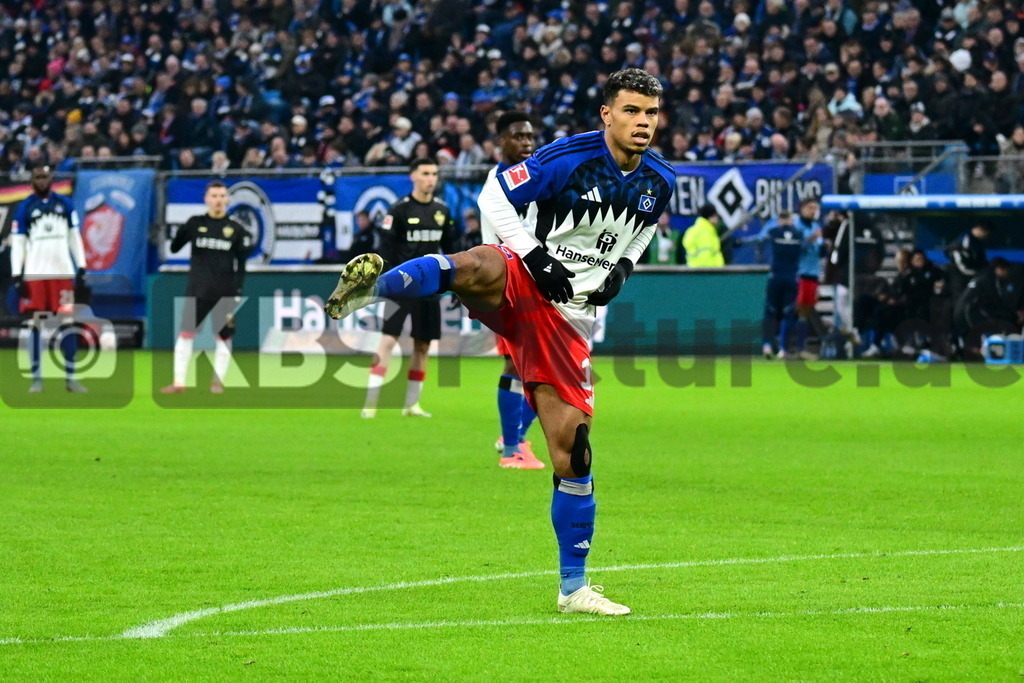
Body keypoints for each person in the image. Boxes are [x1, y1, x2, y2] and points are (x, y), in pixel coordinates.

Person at [324, 69, 675, 615]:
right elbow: (494, 193)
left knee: (573, 455)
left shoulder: (659, 179)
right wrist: (535, 256)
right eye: (632, 111)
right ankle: (375, 287)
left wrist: (625, 265)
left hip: (570, 321)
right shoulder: (569, 157)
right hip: (526, 280)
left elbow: (647, 225)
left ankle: (572, 589)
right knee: (480, 263)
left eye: (651, 113)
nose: (643, 123)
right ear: (607, 114)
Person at [360, 157, 455, 419]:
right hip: (401, 286)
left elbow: (451, 251)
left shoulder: (442, 211)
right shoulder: (398, 210)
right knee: (388, 339)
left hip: (430, 288)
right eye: (425, 173)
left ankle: (411, 404)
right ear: (412, 176)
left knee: (422, 346)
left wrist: (456, 284)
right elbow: (385, 250)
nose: (431, 178)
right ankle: (371, 401)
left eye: (434, 173)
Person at [479, 110, 544, 469]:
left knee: (565, 371)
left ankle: (513, 438)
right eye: (518, 136)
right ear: (500, 142)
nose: (527, 143)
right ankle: (512, 448)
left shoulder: (519, 176)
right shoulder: (504, 183)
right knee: (518, 367)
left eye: (530, 136)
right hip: (512, 283)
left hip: (531, 283)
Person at [161, 181, 250, 394]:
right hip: (197, 290)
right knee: (186, 334)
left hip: (225, 291)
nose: (218, 200)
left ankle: (217, 382)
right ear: (206, 199)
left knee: (224, 336)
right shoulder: (195, 223)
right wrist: (179, 233)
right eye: (214, 196)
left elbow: (242, 265)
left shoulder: (236, 229)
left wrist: (237, 291)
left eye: (222, 196)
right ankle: (179, 382)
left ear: (227, 200)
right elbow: (174, 248)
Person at [9, 166, 88, 392]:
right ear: (32, 181)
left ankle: (71, 377)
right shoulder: (25, 207)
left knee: (67, 324)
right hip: (35, 274)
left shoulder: (65, 204)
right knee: (35, 324)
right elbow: (19, 243)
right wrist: (17, 274)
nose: (42, 181)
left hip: (62, 273)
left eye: (45, 177)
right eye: (38, 177)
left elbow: (75, 236)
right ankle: (37, 378)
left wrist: (81, 266)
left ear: (51, 179)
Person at [741, 210, 803, 359]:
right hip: (792, 277)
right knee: (788, 313)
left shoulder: (774, 231)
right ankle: (783, 348)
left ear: (779, 220)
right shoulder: (799, 234)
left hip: (775, 276)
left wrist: (740, 241)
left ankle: (767, 345)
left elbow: (759, 239)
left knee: (770, 311)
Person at [954, 257, 1023, 357]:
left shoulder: (983, 276)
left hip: (960, 313)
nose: (1008, 274)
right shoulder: (989, 281)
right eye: (1007, 270)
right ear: (999, 269)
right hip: (968, 314)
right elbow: (994, 304)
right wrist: (1013, 315)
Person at [791, 199, 824, 359]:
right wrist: (811, 238)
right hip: (800, 273)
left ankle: (800, 348)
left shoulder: (816, 227)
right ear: (802, 209)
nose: (813, 211)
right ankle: (789, 346)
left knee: (806, 311)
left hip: (813, 273)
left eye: (815, 208)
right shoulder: (796, 227)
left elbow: (820, 251)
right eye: (810, 208)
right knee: (796, 309)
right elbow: (795, 248)